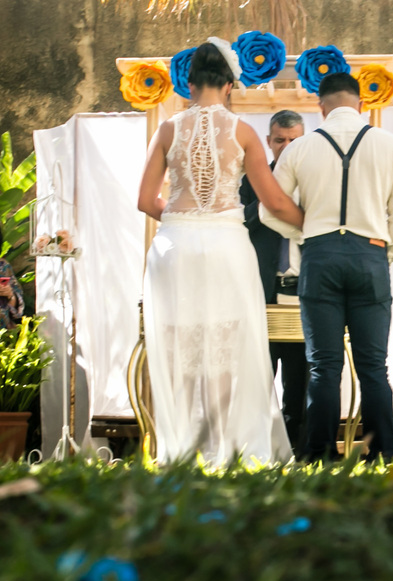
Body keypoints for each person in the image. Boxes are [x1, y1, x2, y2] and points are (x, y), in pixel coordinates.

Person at [136, 38, 304, 466]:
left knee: (180, 344)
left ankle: (181, 447)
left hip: (174, 246)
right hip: (227, 245)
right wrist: (312, 224)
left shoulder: (167, 129)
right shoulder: (243, 132)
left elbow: (145, 200)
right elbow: (274, 201)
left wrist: (182, 219)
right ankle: (223, 445)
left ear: (190, 84)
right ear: (229, 85)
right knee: (226, 343)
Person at [260, 71, 393, 462]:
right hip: (370, 255)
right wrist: (385, 252)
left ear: (321, 107)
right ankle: (383, 454)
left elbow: (269, 209)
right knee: (373, 367)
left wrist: (307, 233)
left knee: (323, 366)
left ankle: (319, 455)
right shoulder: (389, 144)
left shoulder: (300, 148)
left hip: (319, 256)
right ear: (360, 104)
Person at [239, 109, 309, 454]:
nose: (287, 146)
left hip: (302, 295)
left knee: (301, 386)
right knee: (257, 382)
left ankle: (298, 455)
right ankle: (258, 452)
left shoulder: (314, 180)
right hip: (262, 295)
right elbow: (238, 223)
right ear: (268, 142)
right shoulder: (250, 181)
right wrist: (270, 199)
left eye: (294, 140)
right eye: (280, 140)